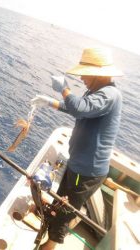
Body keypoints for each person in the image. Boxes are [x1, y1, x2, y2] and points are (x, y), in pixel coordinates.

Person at [31, 47, 123, 250]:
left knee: (66, 209)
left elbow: (80, 107)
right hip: (77, 164)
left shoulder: (109, 94)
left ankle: (51, 244)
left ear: (97, 74)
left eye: (84, 73)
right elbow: (79, 108)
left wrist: (64, 88)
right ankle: (50, 224)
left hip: (87, 170)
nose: (81, 77)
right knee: (60, 201)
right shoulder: (97, 92)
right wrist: (51, 102)